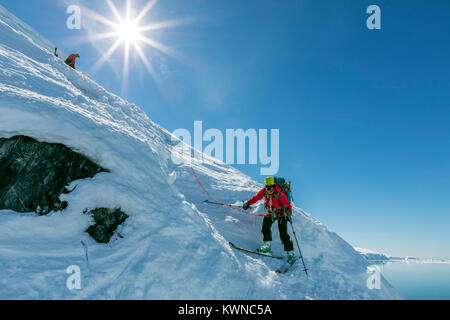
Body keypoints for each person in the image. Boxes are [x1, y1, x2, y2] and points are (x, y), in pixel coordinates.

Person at [242, 177, 295, 264]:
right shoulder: (265, 191)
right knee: (265, 227)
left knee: (283, 233)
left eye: (271, 186)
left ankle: (290, 253)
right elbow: (256, 197)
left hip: (282, 213)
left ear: (274, 185)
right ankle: (267, 246)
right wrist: (248, 203)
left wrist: (288, 212)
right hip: (271, 212)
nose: (269, 188)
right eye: (267, 186)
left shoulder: (280, 193)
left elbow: (287, 204)